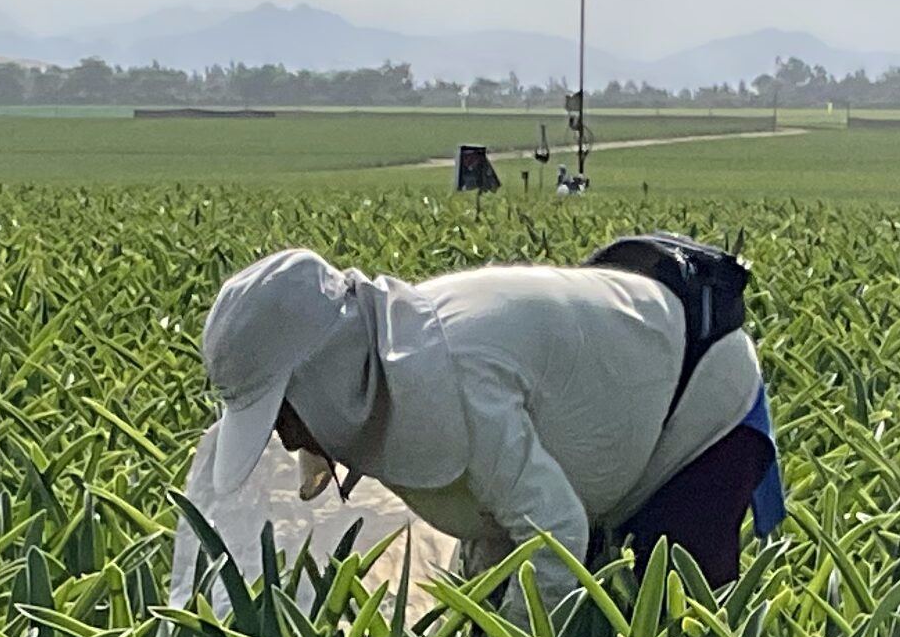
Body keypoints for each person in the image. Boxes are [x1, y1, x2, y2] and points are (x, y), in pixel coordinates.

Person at [170, 242, 782, 606]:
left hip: (698, 406)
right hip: (625, 421)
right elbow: (496, 518)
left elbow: (552, 530)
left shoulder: (455, 374)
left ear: (325, 379)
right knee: (593, 617)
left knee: (679, 622)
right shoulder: (395, 367)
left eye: (284, 412)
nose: (284, 437)